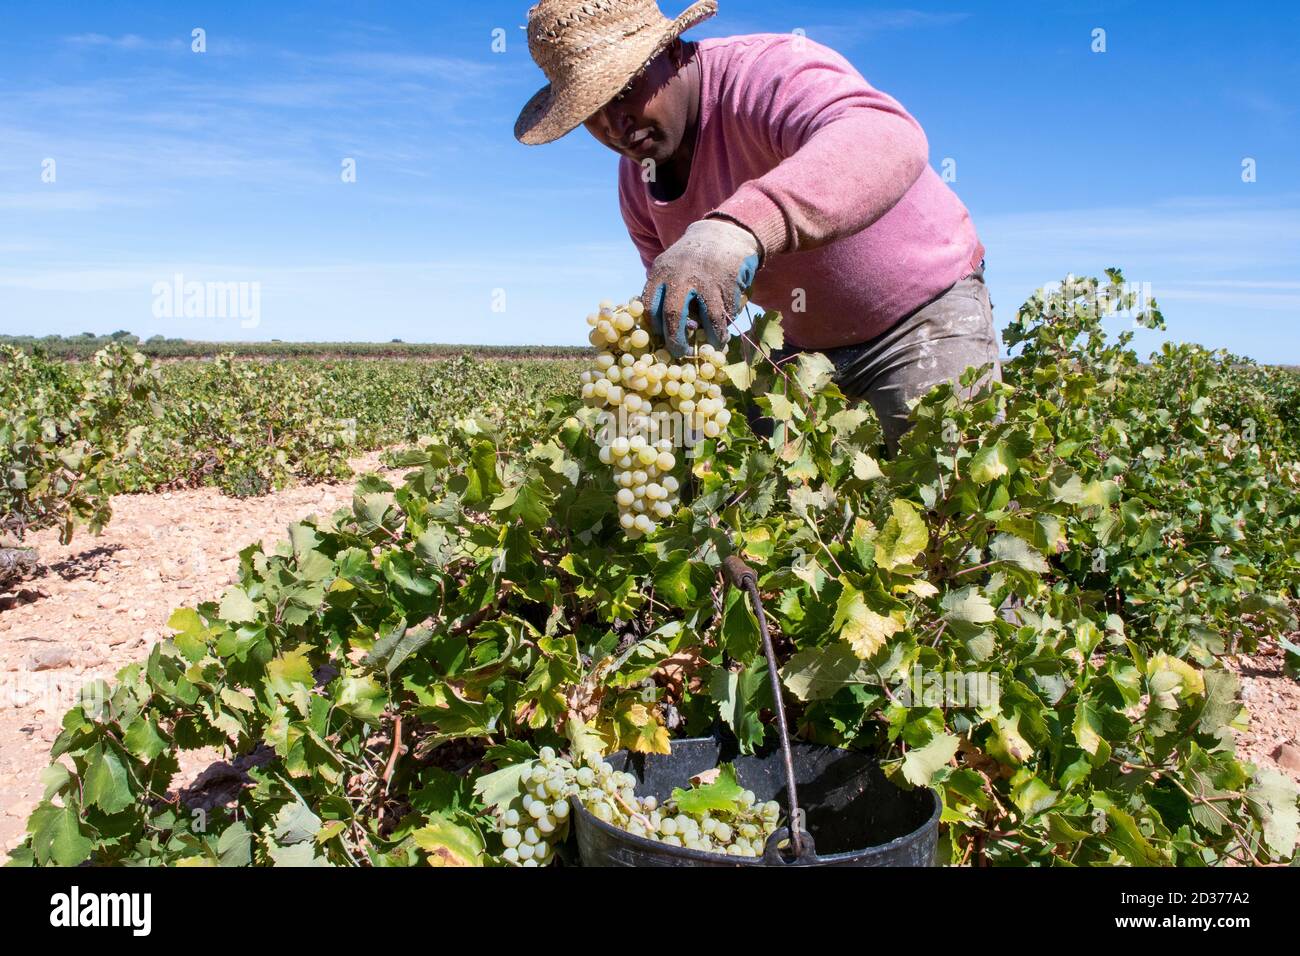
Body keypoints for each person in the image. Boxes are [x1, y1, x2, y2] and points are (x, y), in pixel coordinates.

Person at [516, 0, 999, 451]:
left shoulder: (766, 71)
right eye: (590, 113)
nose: (613, 126)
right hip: (799, 352)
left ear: (673, 52)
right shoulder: (638, 183)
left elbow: (887, 137)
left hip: (921, 319)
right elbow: (682, 303)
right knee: (755, 500)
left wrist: (737, 227)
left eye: (624, 92)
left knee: (951, 502)